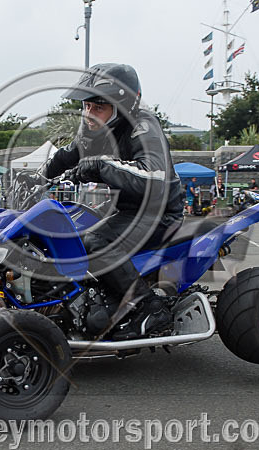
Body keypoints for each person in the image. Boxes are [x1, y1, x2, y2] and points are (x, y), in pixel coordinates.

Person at [39, 63, 182, 340]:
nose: (88, 113)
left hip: (160, 215)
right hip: (127, 212)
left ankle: (148, 307)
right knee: (70, 235)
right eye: (86, 106)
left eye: (98, 107)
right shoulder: (94, 128)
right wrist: (38, 177)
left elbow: (154, 178)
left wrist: (101, 165)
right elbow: (67, 156)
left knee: (96, 241)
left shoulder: (143, 127)